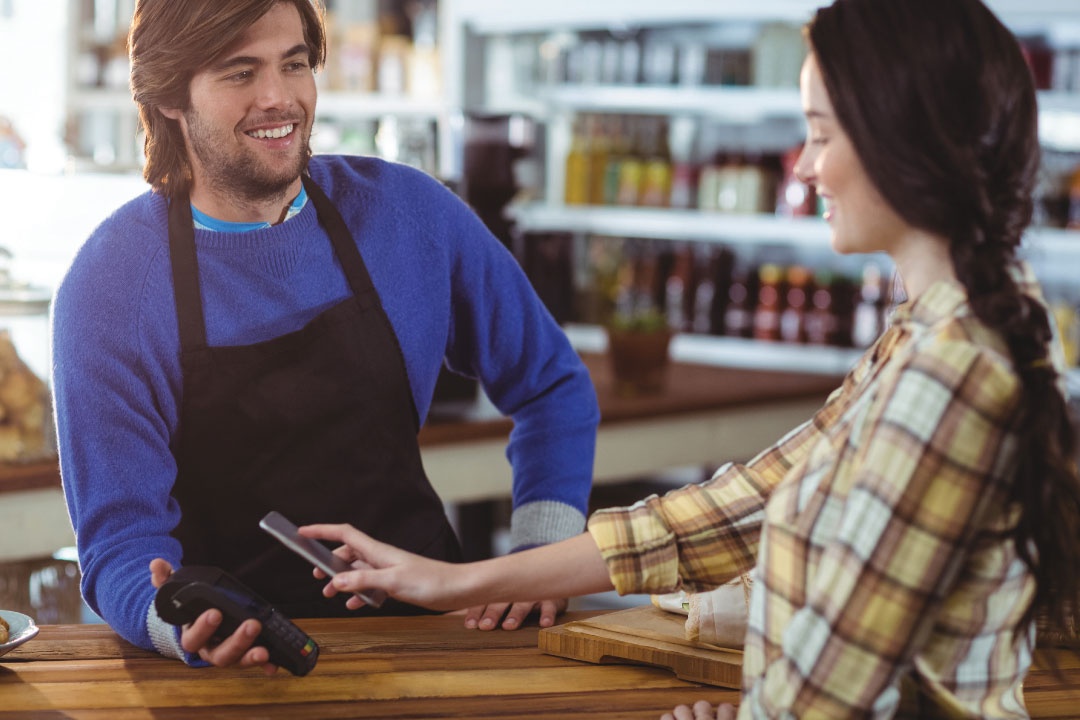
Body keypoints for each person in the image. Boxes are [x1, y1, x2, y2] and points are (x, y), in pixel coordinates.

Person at [300, 0, 1080, 716]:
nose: (804, 169)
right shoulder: (930, 331)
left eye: (821, 133)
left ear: (904, 141)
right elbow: (749, 504)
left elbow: (827, 698)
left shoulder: (950, 376)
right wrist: (461, 581)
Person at [51, 0, 600, 671]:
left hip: (437, 643)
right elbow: (119, 542)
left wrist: (539, 562)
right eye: (239, 73)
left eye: (295, 64)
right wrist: (178, 624)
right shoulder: (112, 285)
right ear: (170, 97)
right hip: (231, 672)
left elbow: (551, 385)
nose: (278, 98)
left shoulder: (407, 214)